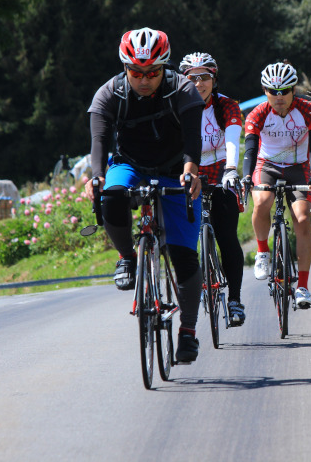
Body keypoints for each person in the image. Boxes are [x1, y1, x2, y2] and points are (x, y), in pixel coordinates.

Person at [85, 27, 204, 363]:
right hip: (130, 164)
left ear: (164, 68)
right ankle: (127, 257)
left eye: (152, 73)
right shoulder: (110, 94)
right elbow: (99, 142)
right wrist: (95, 177)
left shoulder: (182, 89)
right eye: (135, 73)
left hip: (174, 168)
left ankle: (189, 331)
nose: (144, 80)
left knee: (184, 259)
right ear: (125, 69)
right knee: (111, 191)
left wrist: (191, 170)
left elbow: (193, 142)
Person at [242, 62, 311, 308]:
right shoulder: (256, 114)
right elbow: (250, 151)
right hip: (267, 166)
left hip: (299, 168)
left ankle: (303, 287)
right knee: (263, 201)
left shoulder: (309, 111)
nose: (279, 97)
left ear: (293, 89)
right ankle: (263, 252)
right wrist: (247, 177)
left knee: (302, 218)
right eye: (272, 91)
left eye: (284, 91)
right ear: (265, 91)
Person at [179, 51, 246, 326]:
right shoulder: (177, 106)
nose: (199, 83)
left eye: (204, 77)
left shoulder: (226, 106)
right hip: (189, 172)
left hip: (220, 170)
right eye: (192, 78)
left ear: (214, 79)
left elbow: (232, 138)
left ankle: (235, 299)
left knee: (227, 236)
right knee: (180, 240)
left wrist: (231, 169)